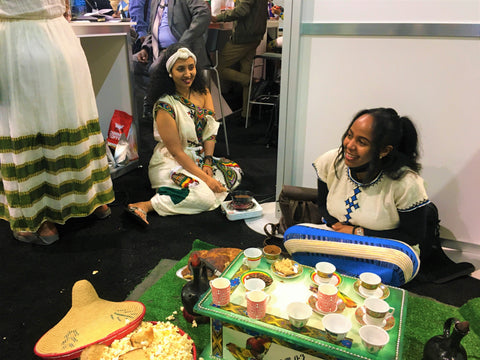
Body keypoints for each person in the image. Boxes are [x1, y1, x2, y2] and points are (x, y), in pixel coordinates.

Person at [0, 0, 115, 245]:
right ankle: (92, 199)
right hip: (61, 36)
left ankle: (40, 218)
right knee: (71, 115)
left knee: (28, 122)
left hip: (18, 37)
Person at [126, 44, 242, 224]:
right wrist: (207, 179)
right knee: (206, 198)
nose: (188, 74)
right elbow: (177, 152)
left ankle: (179, 191)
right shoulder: (165, 104)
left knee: (234, 172)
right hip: (171, 161)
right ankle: (146, 205)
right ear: (170, 72)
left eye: (191, 67)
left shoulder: (203, 92)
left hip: (198, 157)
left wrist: (209, 162)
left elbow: (210, 132)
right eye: (181, 69)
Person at [313, 107, 431, 254]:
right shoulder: (331, 161)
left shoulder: (407, 183)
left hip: (386, 250)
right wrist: (336, 228)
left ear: (384, 151)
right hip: (337, 239)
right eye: (349, 135)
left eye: (362, 142)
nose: (349, 146)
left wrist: (357, 232)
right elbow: (323, 205)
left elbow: (412, 236)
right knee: (294, 236)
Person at [134, 0, 210, 118]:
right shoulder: (155, 2)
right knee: (133, 63)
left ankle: (157, 107)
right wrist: (145, 48)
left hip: (182, 48)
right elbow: (152, 30)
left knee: (156, 68)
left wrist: (183, 42)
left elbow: (203, 14)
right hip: (157, 50)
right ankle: (148, 108)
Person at [211, 0, 269, 121]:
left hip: (243, 37)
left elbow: (242, 10)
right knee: (245, 71)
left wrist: (218, 18)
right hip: (255, 36)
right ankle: (246, 115)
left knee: (219, 68)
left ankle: (253, 82)